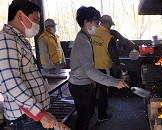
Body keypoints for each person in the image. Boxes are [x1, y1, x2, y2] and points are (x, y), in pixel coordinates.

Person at [0, 1, 68, 130]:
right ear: (20, 15)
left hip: (32, 115)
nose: (37, 25)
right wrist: (41, 115)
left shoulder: (18, 39)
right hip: (26, 118)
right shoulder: (6, 40)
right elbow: (10, 83)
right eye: (35, 20)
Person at [68, 6, 127, 130]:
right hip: (80, 86)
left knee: (85, 117)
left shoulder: (85, 37)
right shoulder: (83, 41)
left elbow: (88, 67)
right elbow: (90, 70)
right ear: (86, 22)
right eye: (96, 22)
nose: (98, 25)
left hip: (82, 83)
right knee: (83, 120)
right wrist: (114, 82)